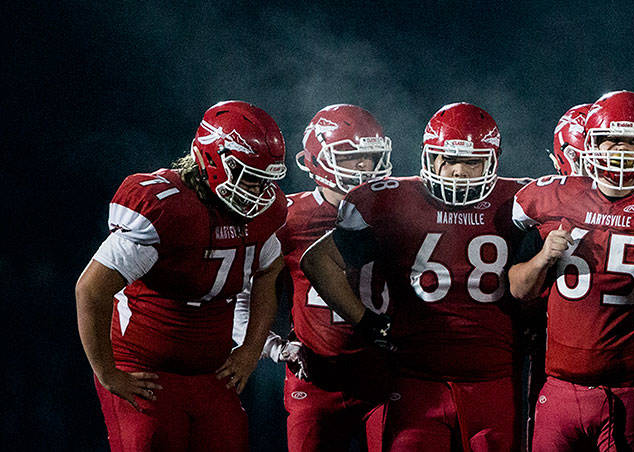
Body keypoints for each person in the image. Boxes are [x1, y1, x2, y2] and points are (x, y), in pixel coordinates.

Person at [301, 102, 528, 452]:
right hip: (416, 380)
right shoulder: (393, 199)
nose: (458, 172)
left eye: (471, 162)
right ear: (429, 157)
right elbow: (318, 261)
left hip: (493, 377)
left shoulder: (517, 199)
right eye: (448, 160)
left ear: (492, 161)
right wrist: (366, 322)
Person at [75, 100, 289, 451]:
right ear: (211, 160)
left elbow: (268, 274)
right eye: (250, 178)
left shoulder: (262, 214)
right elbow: (91, 290)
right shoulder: (168, 208)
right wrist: (107, 372)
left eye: (266, 181)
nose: (259, 193)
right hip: (146, 370)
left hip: (210, 372)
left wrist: (250, 351)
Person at [508, 90, 634, 452]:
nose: (623, 153)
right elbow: (519, 287)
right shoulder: (554, 197)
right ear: (590, 145)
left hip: (629, 389)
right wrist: (544, 259)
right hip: (558, 386)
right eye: (613, 141)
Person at [262, 104, 395, 452]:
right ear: (315, 161)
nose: (366, 167)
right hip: (317, 379)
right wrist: (274, 347)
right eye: (352, 158)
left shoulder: (396, 204)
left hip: (384, 374)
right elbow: (243, 291)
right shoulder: (287, 216)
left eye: (370, 156)